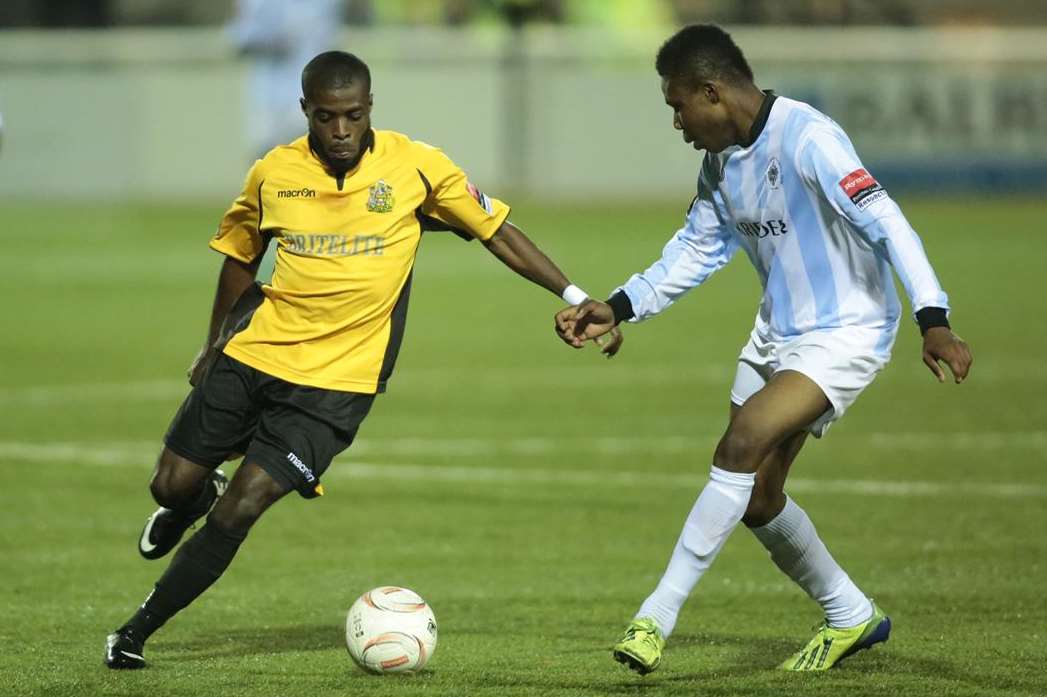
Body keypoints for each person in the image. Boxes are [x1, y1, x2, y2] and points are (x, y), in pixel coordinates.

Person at [104, 49, 621, 669]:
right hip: (255, 356)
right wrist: (214, 344)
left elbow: (497, 231)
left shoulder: (417, 168)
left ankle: (135, 632)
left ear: (370, 107)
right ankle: (187, 500)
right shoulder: (273, 172)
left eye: (352, 116)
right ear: (306, 112)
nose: (341, 131)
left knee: (244, 504)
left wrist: (575, 295)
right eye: (327, 118)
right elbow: (240, 257)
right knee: (169, 483)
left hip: (336, 387)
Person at [555, 24, 972, 674]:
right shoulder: (719, 164)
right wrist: (619, 304)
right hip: (776, 330)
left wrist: (933, 317)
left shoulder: (809, 138)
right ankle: (850, 613)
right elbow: (696, 248)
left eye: (676, 105)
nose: (676, 122)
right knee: (756, 497)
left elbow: (885, 219)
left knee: (740, 443)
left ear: (711, 92)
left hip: (845, 329)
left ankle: (654, 617)